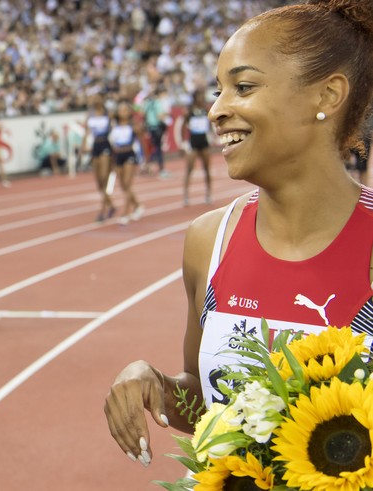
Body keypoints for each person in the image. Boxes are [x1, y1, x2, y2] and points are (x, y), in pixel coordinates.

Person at [104, 0, 373, 468]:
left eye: (242, 86)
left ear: (327, 96)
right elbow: (208, 403)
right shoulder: (209, 240)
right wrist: (153, 384)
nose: (216, 109)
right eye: (218, 89)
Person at [108, 101, 145, 225]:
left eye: (125, 110)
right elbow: (112, 143)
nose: (123, 112)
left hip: (129, 154)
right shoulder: (114, 125)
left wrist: (145, 159)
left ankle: (126, 212)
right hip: (118, 156)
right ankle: (138, 206)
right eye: (121, 110)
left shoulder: (133, 124)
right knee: (123, 185)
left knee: (128, 185)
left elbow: (141, 141)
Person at [85, 94, 115, 222]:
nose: (94, 99)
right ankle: (111, 206)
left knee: (104, 178)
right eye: (93, 97)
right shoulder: (89, 114)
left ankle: (102, 211)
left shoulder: (108, 113)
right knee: (99, 183)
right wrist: (83, 147)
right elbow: (86, 132)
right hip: (95, 146)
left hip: (105, 145)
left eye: (97, 97)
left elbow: (114, 130)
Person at [182, 89, 213, 206]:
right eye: (199, 96)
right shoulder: (189, 111)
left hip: (204, 141)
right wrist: (183, 142)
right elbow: (183, 127)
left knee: (207, 169)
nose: (201, 98)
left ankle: (208, 194)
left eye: (202, 96)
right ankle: (185, 196)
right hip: (193, 141)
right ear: (195, 98)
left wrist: (210, 135)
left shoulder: (206, 110)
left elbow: (209, 124)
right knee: (189, 169)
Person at [141, 85, 169, 178]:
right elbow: (160, 115)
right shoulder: (157, 102)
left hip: (150, 127)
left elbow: (143, 113)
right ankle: (160, 168)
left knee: (152, 147)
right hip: (157, 127)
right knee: (158, 148)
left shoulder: (147, 102)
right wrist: (166, 116)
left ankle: (148, 166)